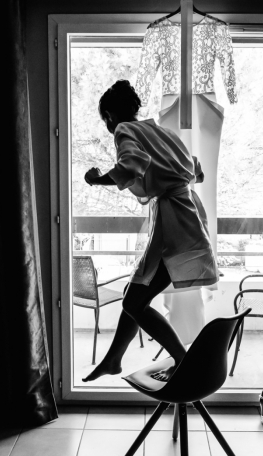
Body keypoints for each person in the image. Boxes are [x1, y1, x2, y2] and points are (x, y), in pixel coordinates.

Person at [82, 80, 218, 382]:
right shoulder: (163, 131)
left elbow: (131, 166)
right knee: (134, 295)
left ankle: (182, 360)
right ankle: (113, 359)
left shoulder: (124, 130)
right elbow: (198, 171)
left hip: (174, 225)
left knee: (133, 301)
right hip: (188, 216)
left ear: (109, 115)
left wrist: (96, 180)